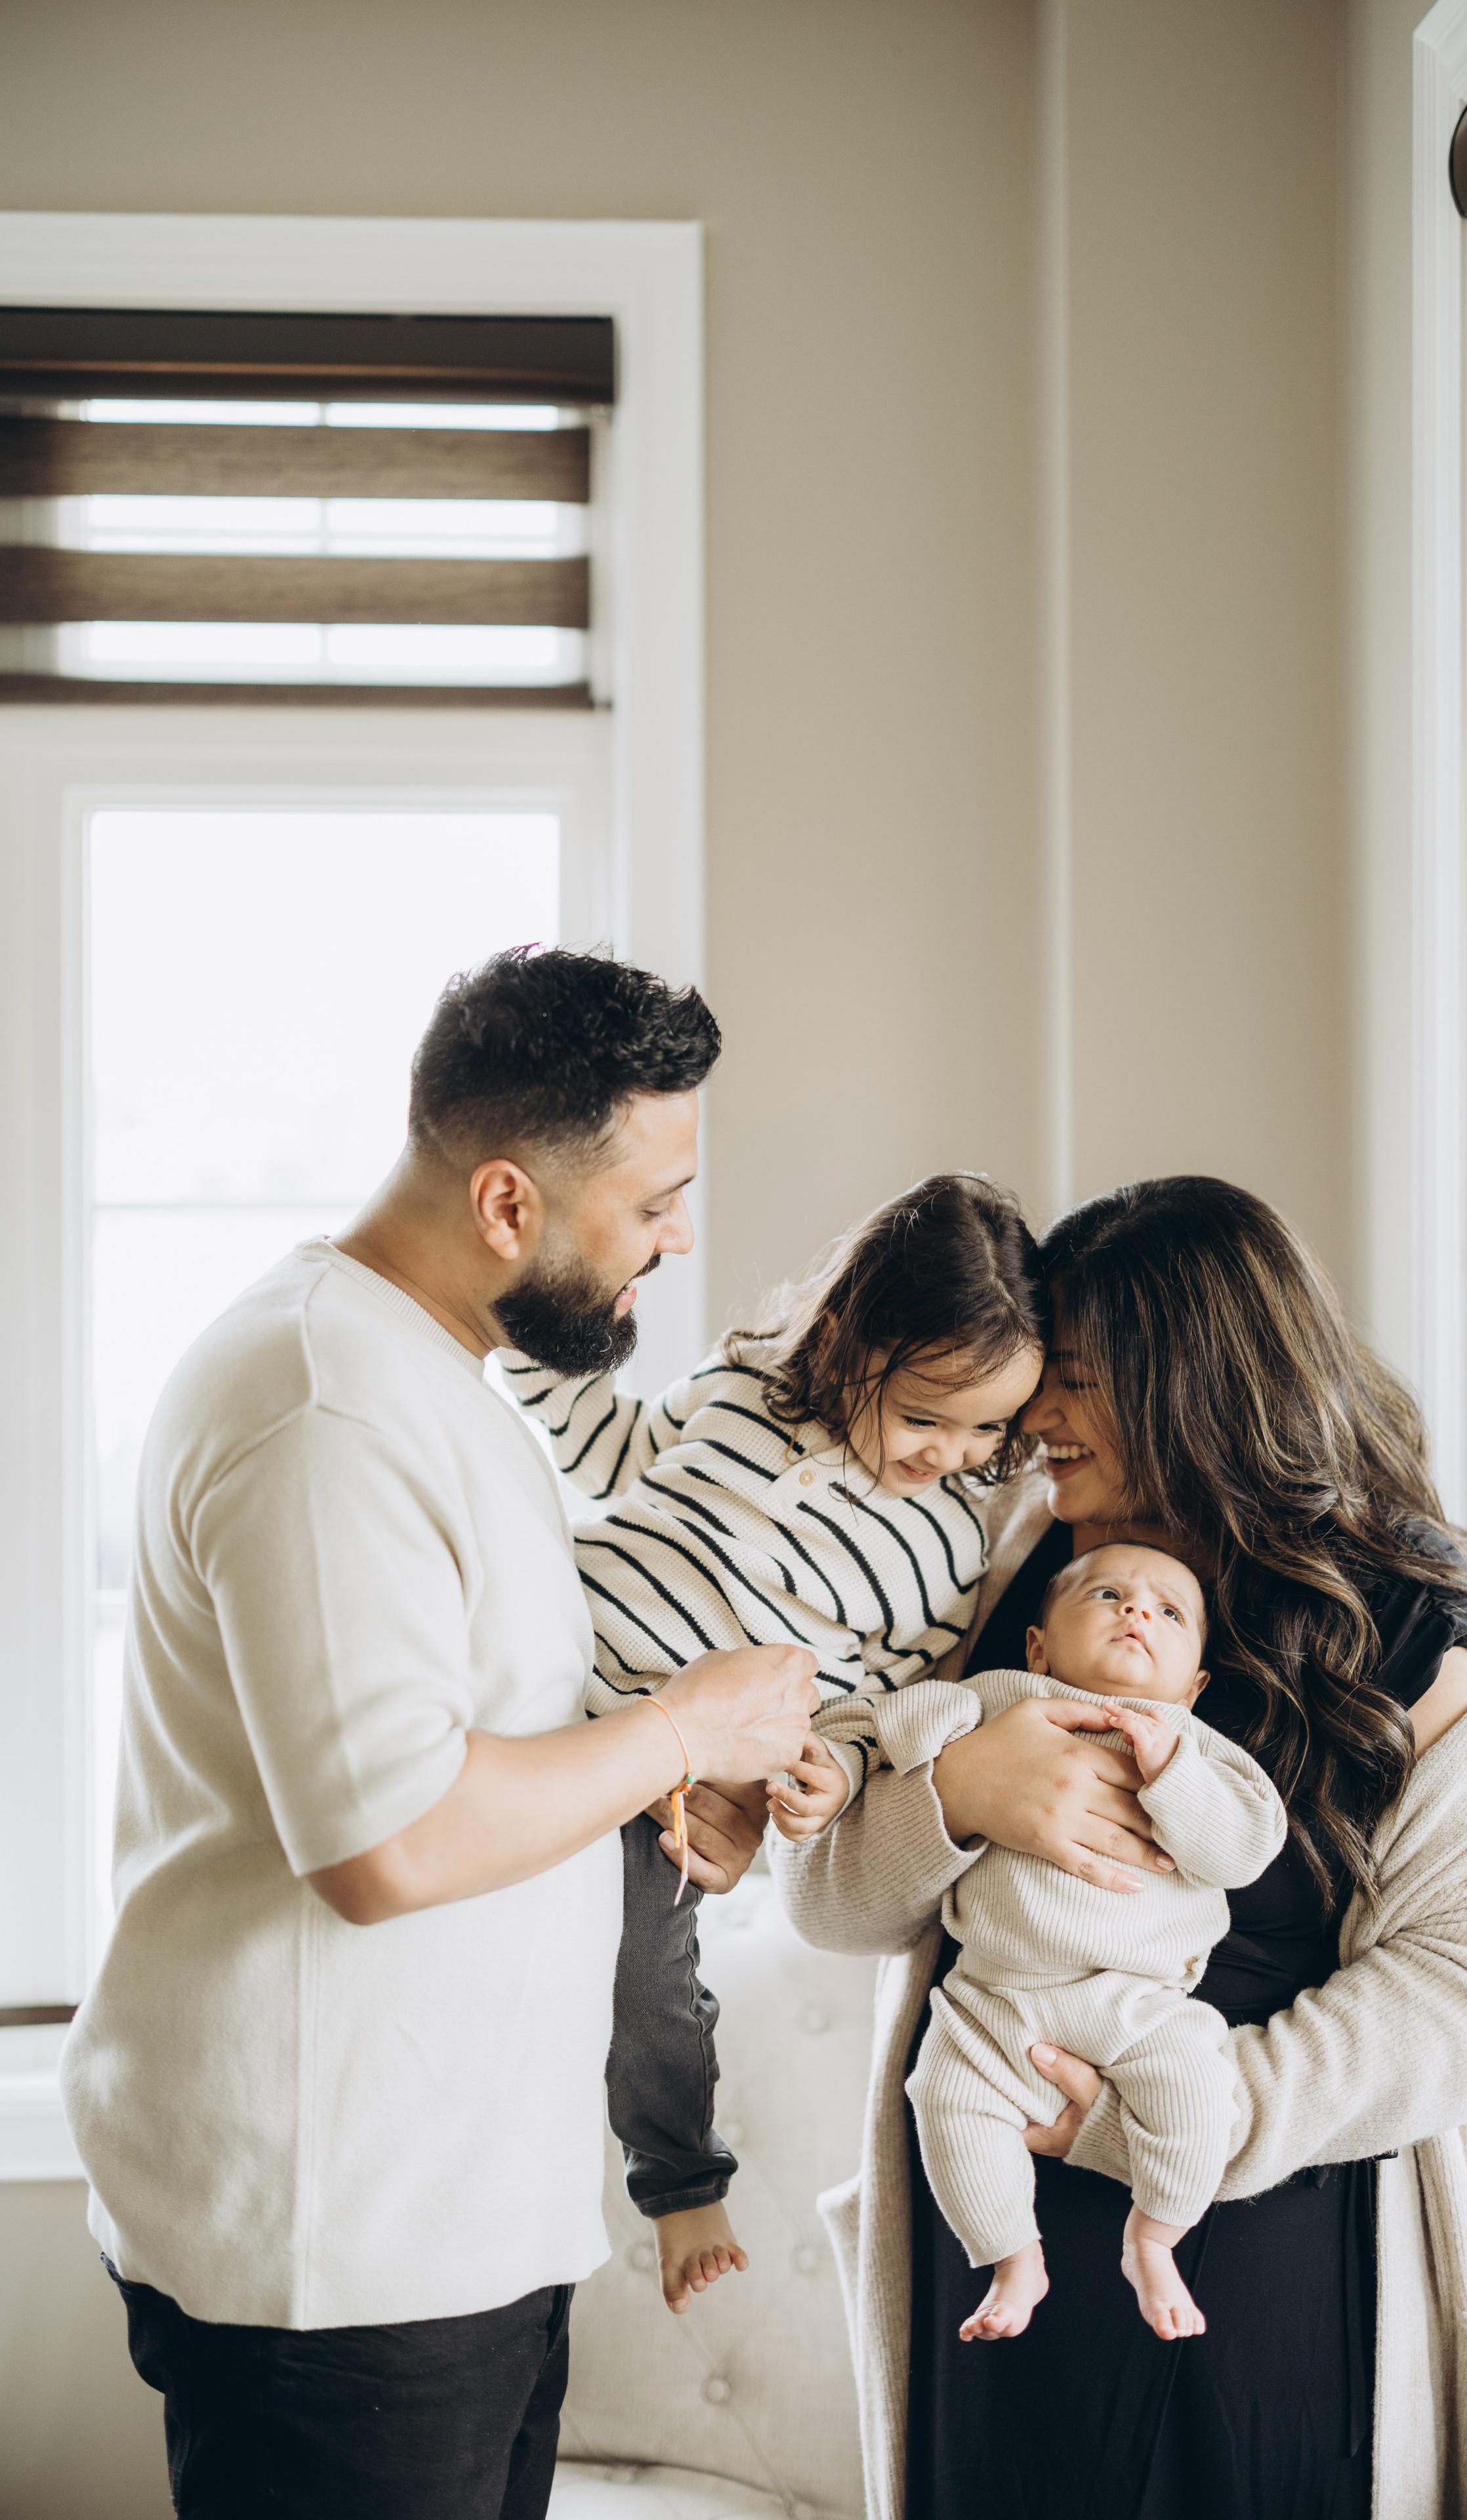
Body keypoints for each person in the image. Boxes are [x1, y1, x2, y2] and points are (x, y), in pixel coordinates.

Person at [60, 946, 819, 2520]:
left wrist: (678, 1775)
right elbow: (385, 1837)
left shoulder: (434, 1379)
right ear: (503, 1203)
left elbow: (492, 1754)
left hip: (452, 2236)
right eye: (653, 1199)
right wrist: (683, 1718)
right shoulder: (322, 1401)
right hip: (343, 2267)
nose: (678, 1239)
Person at [773, 1177, 1467, 2520]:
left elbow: (1464, 1995)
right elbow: (828, 1905)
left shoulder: (1424, 1637)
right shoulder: (1013, 1571)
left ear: (1193, 1387)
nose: (1033, 1420)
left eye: (1072, 1381)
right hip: (986, 2246)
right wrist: (956, 1791)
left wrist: (1149, 2127)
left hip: (1254, 2257)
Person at [502, 1173, 1046, 2313]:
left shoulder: (947, 1550)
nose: (952, 1452)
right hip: (533, 1689)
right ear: (848, 1347)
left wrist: (832, 1770)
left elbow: (873, 1706)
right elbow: (620, 1451)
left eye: (990, 1428)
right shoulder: (747, 1385)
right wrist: (523, 1349)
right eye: (926, 1415)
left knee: (651, 1984)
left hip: (669, 1794)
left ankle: (681, 2182)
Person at [789, 1539, 1284, 2344]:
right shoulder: (998, 1697)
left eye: (1168, 1612)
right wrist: (865, 1771)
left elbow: (1244, 1849)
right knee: (944, 2099)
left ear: (1194, 1685)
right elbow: (885, 1725)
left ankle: (1153, 2239)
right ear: (1038, 1644)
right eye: (1107, 1596)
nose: (1135, 1613)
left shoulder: (1196, 1749)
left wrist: (1174, 1778)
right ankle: (1012, 2260)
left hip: (1138, 2000)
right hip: (993, 1995)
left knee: (1198, 2096)